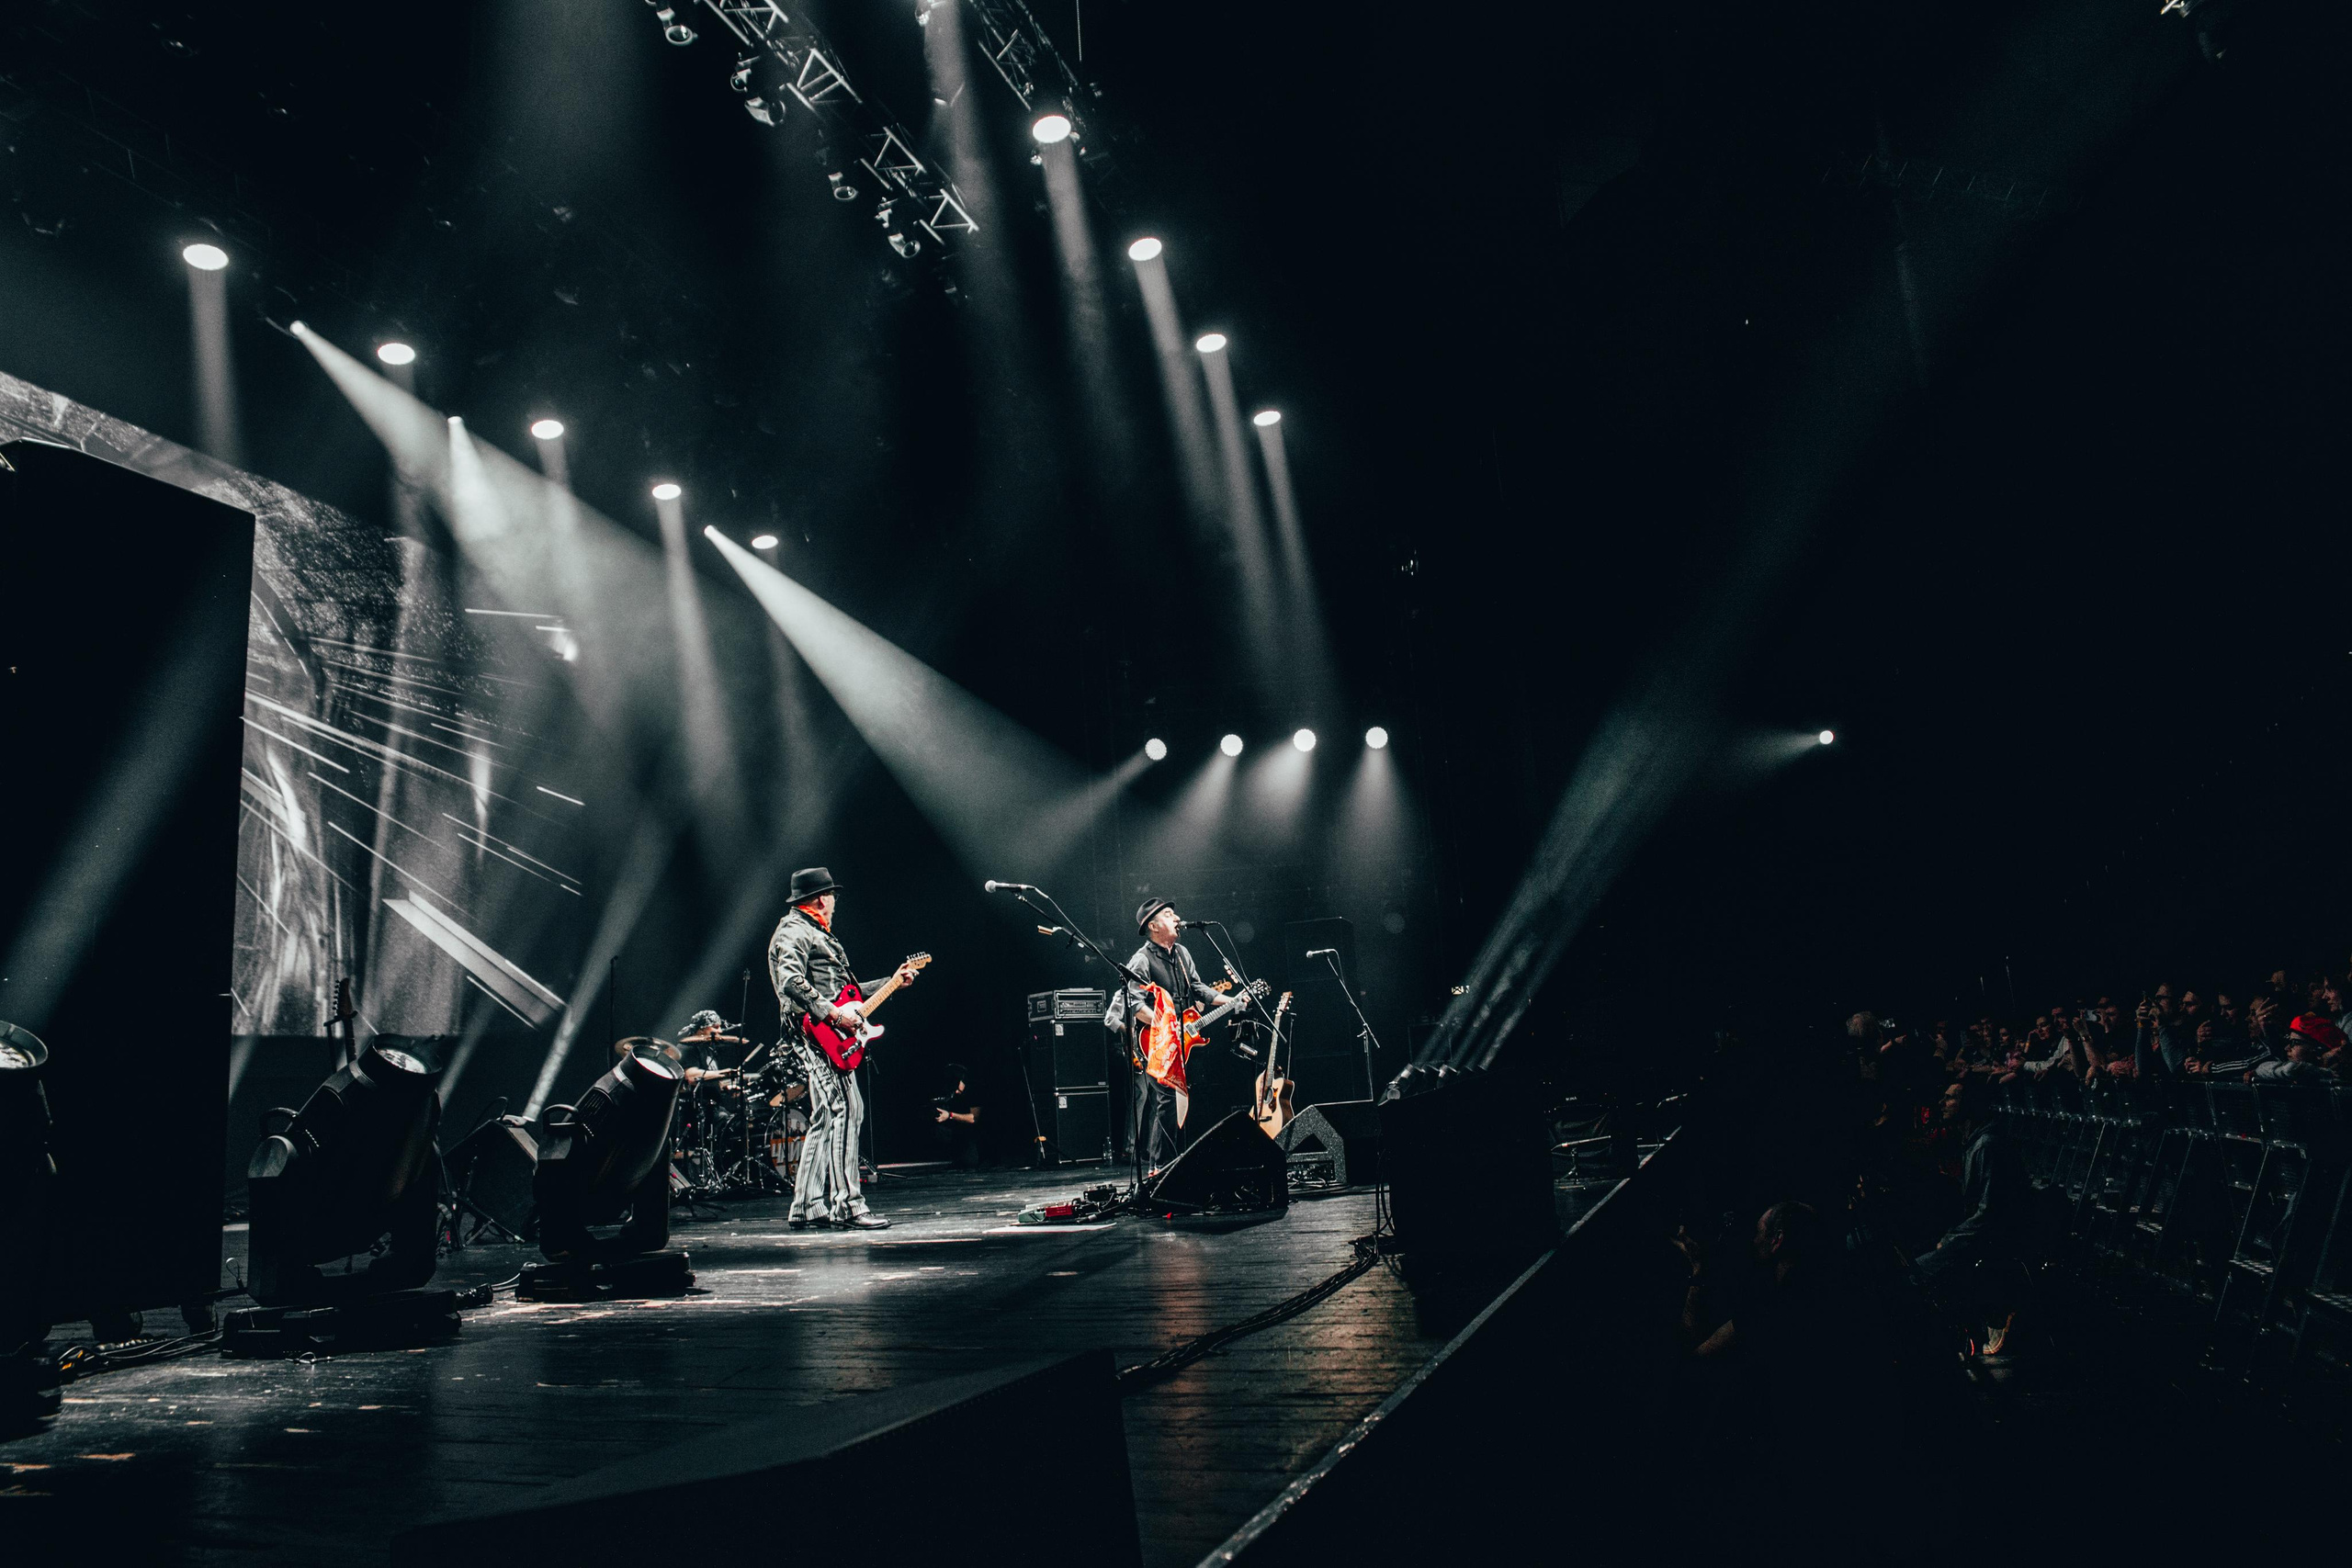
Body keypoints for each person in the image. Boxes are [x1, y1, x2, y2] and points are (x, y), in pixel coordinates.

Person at [766, 865, 920, 1231]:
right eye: (832, 895)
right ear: (821, 899)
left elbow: (845, 994)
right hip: (815, 1033)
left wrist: (892, 982)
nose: (835, 902)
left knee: (826, 1115)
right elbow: (790, 981)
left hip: (823, 1029)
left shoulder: (815, 932)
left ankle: (806, 1205)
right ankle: (848, 1204)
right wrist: (834, 1018)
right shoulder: (794, 931)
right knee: (849, 1108)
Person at [1103, 898, 1247, 1174]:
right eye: (1169, 915)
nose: (1177, 917)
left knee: (1188, 1098)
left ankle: (1188, 1161)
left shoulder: (1182, 953)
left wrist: (1232, 1001)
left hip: (1186, 1039)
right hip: (1158, 1042)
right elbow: (1134, 1003)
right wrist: (1162, 1025)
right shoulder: (1142, 960)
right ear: (1154, 926)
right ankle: (1160, 1167)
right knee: (1167, 1101)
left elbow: (1198, 988)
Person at [933, 1063, 982, 1169]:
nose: (955, 1091)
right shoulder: (953, 1094)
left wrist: (950, 1115)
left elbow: (974, 1118)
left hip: (977, 1136)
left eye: (956, 1087)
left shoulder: (974, 1091)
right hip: (960, 1134)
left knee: (970, 1161)